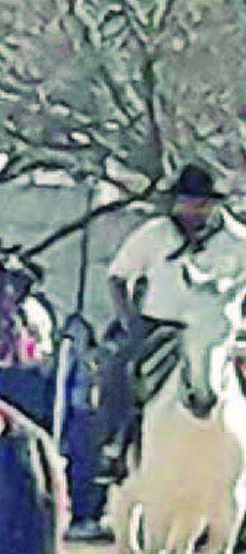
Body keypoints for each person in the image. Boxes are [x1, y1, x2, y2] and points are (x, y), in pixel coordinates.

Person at [97, 162, 246, 481]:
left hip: (219, 330)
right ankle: (115, 447)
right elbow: (117, 275)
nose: (190, 210)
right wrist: (130, 321)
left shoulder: (239, 241)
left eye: (199, 203)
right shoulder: (155, 234)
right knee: (119, 369)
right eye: (185, 202)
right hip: (162, 327)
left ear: (214, 205)